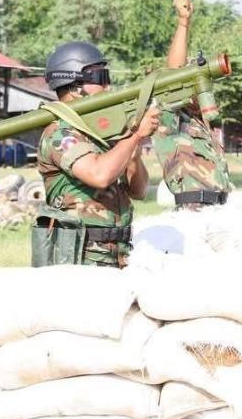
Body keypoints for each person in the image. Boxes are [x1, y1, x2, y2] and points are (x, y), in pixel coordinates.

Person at [35, 41, 160, 267]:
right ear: (75, 86)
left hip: (117, 254)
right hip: (82, 258)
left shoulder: (99, 131)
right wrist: (134, 136)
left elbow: (138, 191)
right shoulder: (60, 133)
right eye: (101, 78)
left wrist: (133, 145)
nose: (108, 86)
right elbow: (99, 174)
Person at [151, 0, 233, 210]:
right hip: (192, 210)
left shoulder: (204, 125)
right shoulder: (172, 119)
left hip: (218, 208)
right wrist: (183, 22)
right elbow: (174, 73)